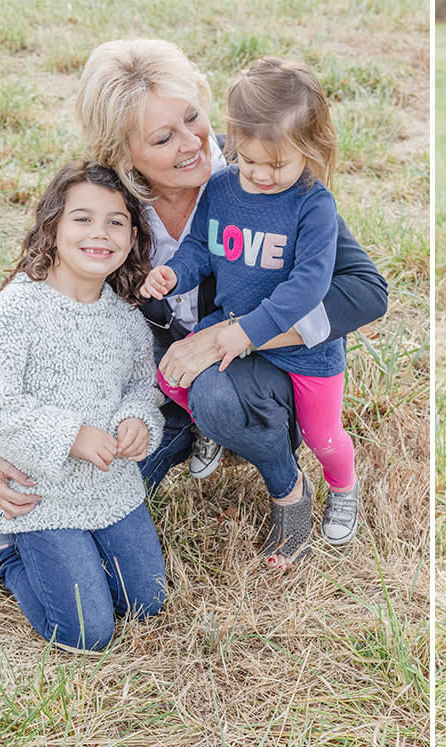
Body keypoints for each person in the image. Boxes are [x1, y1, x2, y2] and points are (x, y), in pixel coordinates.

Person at [0, 39, 388, 570]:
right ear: (120, 152)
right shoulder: (111, 208)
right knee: (98, 489)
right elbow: (35, 306)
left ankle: (287, 487)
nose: (194, 143)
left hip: (257, 369)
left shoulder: (265, 170)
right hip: (161, 384)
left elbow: (367, 291)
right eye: (164, 137)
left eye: (194, 117)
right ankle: (15, 527)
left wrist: (235, 333)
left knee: (213, 391)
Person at [142, 57, 357, 569]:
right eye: (249, 159)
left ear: (311, 149)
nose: (259, 174)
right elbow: (200, 247)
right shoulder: (220, 188)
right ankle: (210, 430)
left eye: (276, 165)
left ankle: (342, 487)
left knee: (322, 437)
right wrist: (176, 273)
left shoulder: (313, 206)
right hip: (234, 319)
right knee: (172, 376)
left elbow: (309, 286)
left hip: (302, 351)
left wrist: (250, 333)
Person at [0, 161, 166, 653]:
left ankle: (81, 555)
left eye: (115, 222)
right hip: (39, 496)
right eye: (82, 219)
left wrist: (137, 419)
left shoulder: (125, 319)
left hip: (111, 488)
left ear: (133, 235)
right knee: (87, 633)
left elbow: (143, 388)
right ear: (52, 228)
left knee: (147, 602)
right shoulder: (19, 308)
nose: (100, 233)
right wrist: (69, 435)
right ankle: (3, 547)